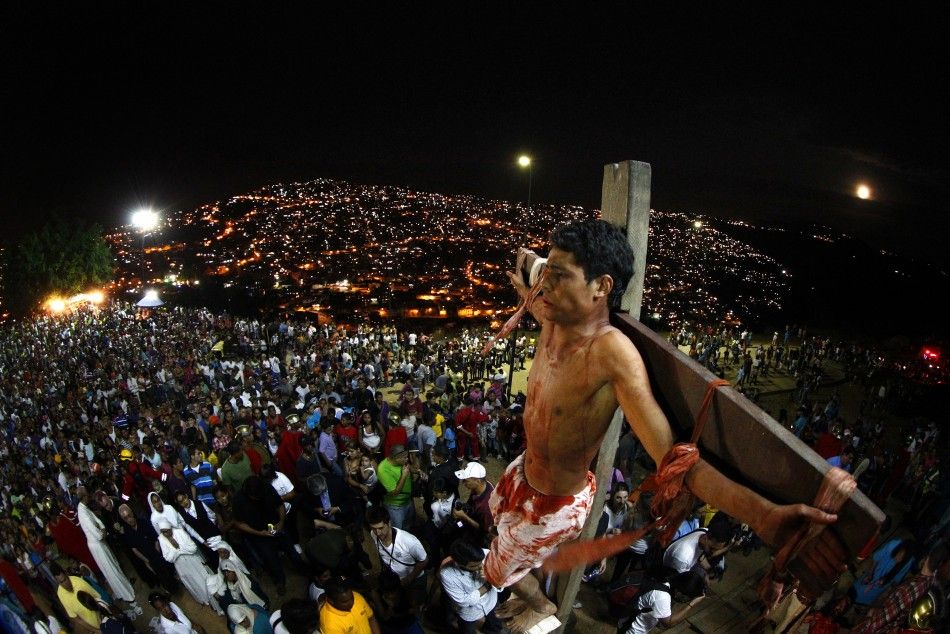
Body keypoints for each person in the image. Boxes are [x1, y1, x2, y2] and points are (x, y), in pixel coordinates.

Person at [490, 219, 842, 628]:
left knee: (497, 569)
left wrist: (763, 516)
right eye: (547, 273)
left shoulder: (610, 354)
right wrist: (532, 264)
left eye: (559, 275)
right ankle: (527, 579)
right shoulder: (556, 310)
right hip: (523, 475)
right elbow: (534, 267)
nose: (545, 284)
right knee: (497, 521)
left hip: (554, 503)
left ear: (601, 287)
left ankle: (542, 606)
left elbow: (674, 461)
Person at [74, 486, 138, 608]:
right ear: (83, 497)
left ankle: (124, 588)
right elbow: (97, 534)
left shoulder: (84, 508)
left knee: (113, 564)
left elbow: (98, 522)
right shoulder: (82, 513)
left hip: (100, 542)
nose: (89, 497)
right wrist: (102, 531)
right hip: (97, 545)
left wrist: (102, 528)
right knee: (110, 569)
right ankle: (126, 594)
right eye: (87, 495)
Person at [366, 506, 429, 613]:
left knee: (415, 606)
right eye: (373, 528)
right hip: (396, 580)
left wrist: (409, 578)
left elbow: (424, 560)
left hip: (414, 580)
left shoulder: (409, 541)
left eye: (381, 528)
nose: (378, 533)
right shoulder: (373, 534)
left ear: (389, 523)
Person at [439, 539, 505, 634]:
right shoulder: (447, 574)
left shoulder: (488, 554)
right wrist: (487, 586)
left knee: (495, 626)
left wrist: (491, 575)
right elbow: (464, 601)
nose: (480, 567)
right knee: (467, 631)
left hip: (491, 601)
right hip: (470, 613)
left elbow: (503, 579)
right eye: (474, 566)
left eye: (480, 562)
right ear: (458, 564)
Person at [156, 518, 221, 613]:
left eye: (166, 531)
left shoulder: (180, 532)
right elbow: (168, 558)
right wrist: (178, 551)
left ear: (170, 528)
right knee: (195, 584)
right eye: (162, 532)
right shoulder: (161, 539)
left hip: (194, 562)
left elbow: (193, 548)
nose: (165, 534)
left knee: (205, 580)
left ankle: (217, 601)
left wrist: (178, 549)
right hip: (182, 567)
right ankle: (208, 601)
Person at [51, 562, 109, 633]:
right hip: (91, 630)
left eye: (65, 579)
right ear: (57, 582)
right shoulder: (60, 593)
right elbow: (77, 619)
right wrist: (95, 630)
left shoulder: (79, 583)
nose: (65, 584)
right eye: (61, 582)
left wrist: (105, 624)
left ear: (66, 574)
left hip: (102, 622)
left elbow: (99, 601)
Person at [377, 445, 414, 530]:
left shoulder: (401, 461)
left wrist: (417, 471)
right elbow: (394, 492)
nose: (407, 459)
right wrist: (404, 475)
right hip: (396, 507)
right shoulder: (383, 469)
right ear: (396, 458)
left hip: (408, 501)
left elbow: (408, 466)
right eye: (404, 458)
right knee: (397, 531)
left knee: (407, 525)